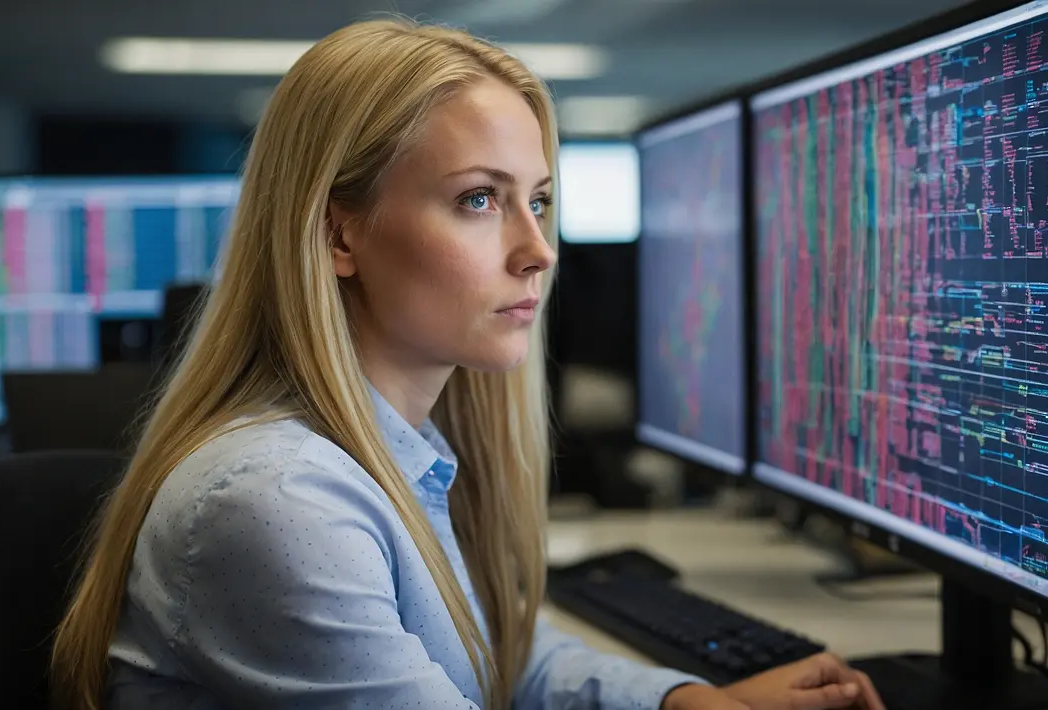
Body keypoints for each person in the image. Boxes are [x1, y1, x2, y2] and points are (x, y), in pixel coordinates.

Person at [50, 17, 885, 710]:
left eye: (541, 200)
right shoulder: (282, 501)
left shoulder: (390, 451)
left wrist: (687, 701)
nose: (540, 251)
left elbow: (494, 657)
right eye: (478, 199)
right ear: (340, 233)